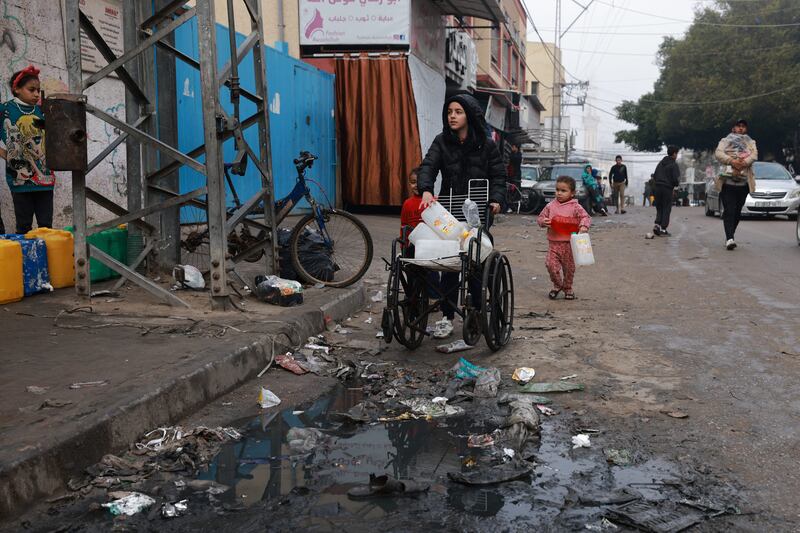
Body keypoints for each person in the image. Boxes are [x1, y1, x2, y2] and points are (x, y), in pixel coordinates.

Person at [417, 93, 506, 339]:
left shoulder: (486, 144)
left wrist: (497, 199)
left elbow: (498, 176)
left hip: (478, 209)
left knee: (475, 261)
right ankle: (447, 316)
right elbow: (428, 166)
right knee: (449, 263)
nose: (452, 116)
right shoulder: (441, 141)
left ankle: (476, 310)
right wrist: (425, 190)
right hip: (449, 208)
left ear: (469, 115)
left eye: (458, 112)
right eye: (449, 112)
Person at [0, 65, 54, 234]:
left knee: (46, 227)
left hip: (45, 180)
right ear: (16, 89)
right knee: (23, 227)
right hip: (19, 181)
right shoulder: (5, 109)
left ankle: (47, 260)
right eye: (31, 90)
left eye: (38, 90)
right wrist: (6, 155)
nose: (37, 94)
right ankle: (25, 260)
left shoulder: (42, 110)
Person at [536, 176, 591, 300]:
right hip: (554, 244)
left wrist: (583, 227)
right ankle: (558, 285)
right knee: (550, 265)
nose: (559, 193)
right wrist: (543, 222)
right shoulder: (550, 206)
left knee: (569, 269)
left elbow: (586, 217)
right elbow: (540, 218)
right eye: (557, 190)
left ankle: (568, 288)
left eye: (563, 190)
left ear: (572, 193)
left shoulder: (575, 207)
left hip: (570, 244)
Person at [714, 119, 757, 250]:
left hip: (743, 184)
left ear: (746, 129)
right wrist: (732, 161)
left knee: (737, 212)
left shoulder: (751, 142)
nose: (740, 128)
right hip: (728, 183)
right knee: (729, 211)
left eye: (743, 126)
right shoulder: (725, 141)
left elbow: (754, 155)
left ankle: (731, 234)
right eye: (738, 126)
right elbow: (718, 153)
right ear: (733, 128)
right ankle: (729, 238)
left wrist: (743, 163)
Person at [651, 145, 680, 236]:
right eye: (677, 154)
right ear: (674, 154)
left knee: (659, 207)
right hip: (667, 188)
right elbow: (675, 179)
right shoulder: (673, 164)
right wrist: (675, 185)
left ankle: (657, 225)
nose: (677, 156)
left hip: (657, 187)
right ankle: (663, 229)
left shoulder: (660, 163)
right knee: (666, 208)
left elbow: (655, 175)